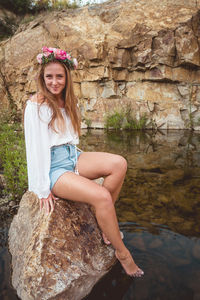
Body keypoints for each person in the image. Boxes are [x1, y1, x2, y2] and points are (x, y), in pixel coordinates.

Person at [24, 46, 144, 278]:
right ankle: (123, 253)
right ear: (42, 77)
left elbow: (69, 137)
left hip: (72, 155)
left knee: (119, 163)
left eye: (59, 76)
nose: (54, 82)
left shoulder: (67, 100)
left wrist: (77, 160)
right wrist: (41, 189)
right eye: (49, 76)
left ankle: (102, 215)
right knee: (102, 195)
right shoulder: (36, 104)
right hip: (54, 168)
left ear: (67, 77)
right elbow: (35, 149)